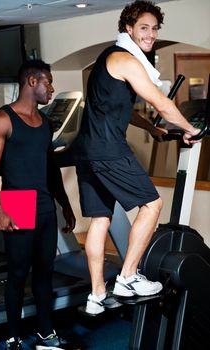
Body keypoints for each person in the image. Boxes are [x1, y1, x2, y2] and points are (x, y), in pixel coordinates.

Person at [72, 0, 201, 316]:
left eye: (155, 28)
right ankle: (128, 277)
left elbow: (122, 109)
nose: (151, 34)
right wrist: (189, 129)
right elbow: (162, 103)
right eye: (144, 27)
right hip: (108, 150)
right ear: (128, 28)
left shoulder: (107, 59)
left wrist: (152, 130)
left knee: (99, 220)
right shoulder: (125, 60)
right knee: (153, 204)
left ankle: (97, 294)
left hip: (87, 152)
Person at [0, 59, 77, 350]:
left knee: (44, 273)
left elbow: (50, 167)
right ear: (32, 82)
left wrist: (65, 204)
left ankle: (46, 336)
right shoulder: (2, 119)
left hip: (45, 205)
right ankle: (13, 338)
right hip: (15, 204)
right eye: (48, 81)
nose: (52, 87)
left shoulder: (45, 123)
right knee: (18, 274)